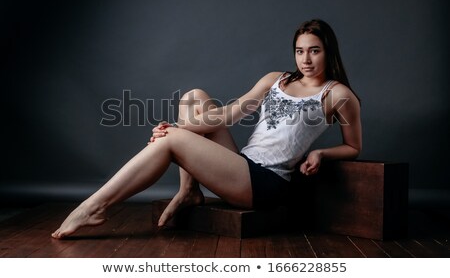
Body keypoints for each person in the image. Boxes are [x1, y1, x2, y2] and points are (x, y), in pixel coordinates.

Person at [51, 19, 362, 239]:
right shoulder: (276, 80)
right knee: (194, 97)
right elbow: (229, 114)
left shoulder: (338, 95)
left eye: (314, 50)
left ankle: (94, 207)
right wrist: (179, 127)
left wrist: (321, 152)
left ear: (328, 51)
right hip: (243, 164)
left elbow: (353, 147)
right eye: (299, 50)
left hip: (267, 184)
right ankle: (188, 191)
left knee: (172, 140)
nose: (305, 59)